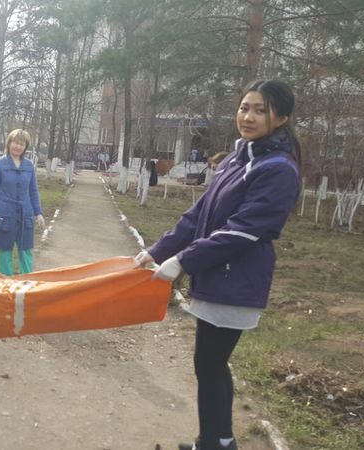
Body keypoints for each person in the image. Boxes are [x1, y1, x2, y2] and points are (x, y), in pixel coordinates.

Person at [134, 80, 301, 450]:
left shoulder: (278, 169)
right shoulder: (237, 160)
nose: (248, 116)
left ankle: (216, 443)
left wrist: (183, 260)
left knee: (209, 364)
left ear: (281, 118)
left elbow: (243, 231)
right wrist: (159, 250)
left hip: (237, 279)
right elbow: (198, 215)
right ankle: (216, 441)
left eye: (260, 110)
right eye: (244, 107)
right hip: (217, 275)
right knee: (210, 364)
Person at [0, 129, 45, 275]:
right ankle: (7, 282)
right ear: (9, 143)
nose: (18, 147)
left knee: (26, 251)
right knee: (5, 251)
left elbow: (33, 191)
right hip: (4, 215)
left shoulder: (29, 166)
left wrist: (38, 213)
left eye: (22, 144)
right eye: (15, 143)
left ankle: (27, 281)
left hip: (25, 215)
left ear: (25, 147)